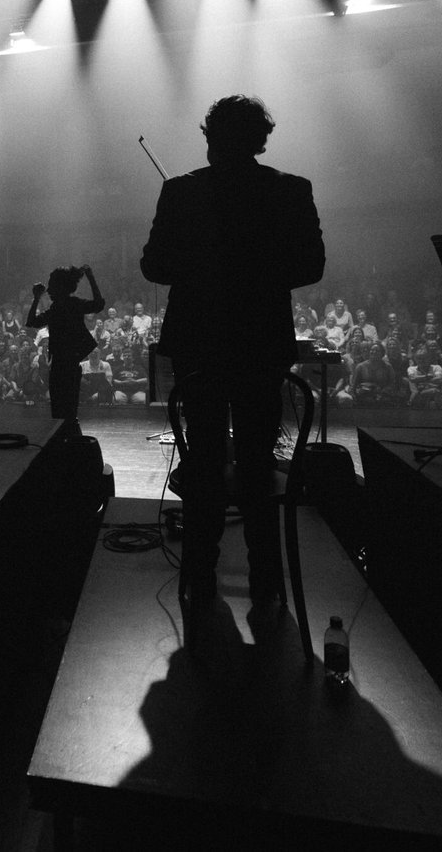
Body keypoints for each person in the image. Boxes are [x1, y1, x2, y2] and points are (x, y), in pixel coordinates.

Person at [141, 94, 324, 651]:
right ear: (262, 139)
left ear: (209, 138)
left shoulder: (183, 191)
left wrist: (204, 260)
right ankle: (267, 574)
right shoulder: (291, 190)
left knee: (202, 459)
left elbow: (154, 265)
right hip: (261, 343)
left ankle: (201, 568)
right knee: (256, 456)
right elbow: (310, 266)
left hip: (200, 343)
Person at [27, 264, 105, 420]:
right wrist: (91, 278)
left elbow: (32, 321)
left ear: (60, 287)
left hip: (61, 365)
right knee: (69, 410)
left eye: (51, 286)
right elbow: (98, 304)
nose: (48, 291)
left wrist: (36, 298)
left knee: (59, 410)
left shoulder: (60, 308)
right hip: (70, 363)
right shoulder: (71, 304)